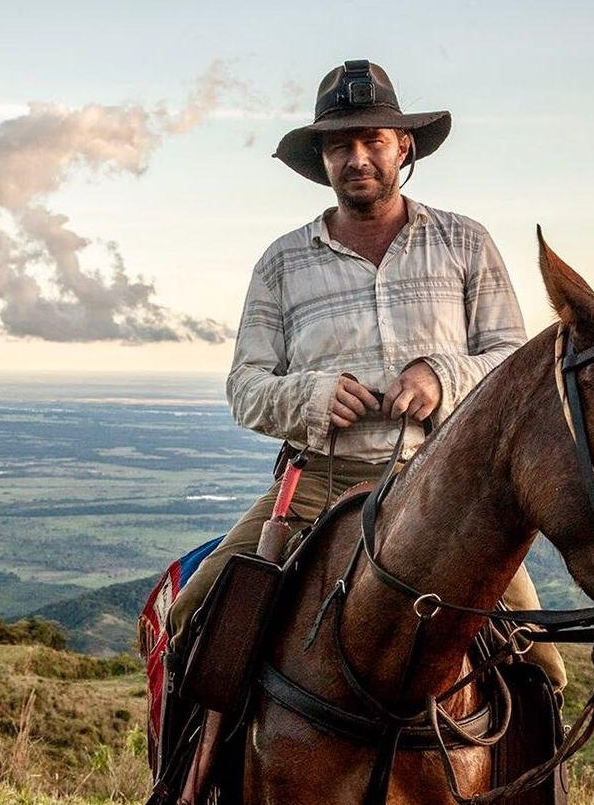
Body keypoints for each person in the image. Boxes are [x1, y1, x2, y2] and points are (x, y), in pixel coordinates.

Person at [167, 59, 565, 692]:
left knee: (540, 669)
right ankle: (185, 789)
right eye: (339, 144)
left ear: (402, 146)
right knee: (194, 621)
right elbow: (245, 387)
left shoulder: (465, 243)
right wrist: (311, 395)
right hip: (318, 485)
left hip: (448, 486)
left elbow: (515, 366)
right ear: (322, 159)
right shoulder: (282, 263)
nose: (357, 158)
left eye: (372, 140)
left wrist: (441, 378)